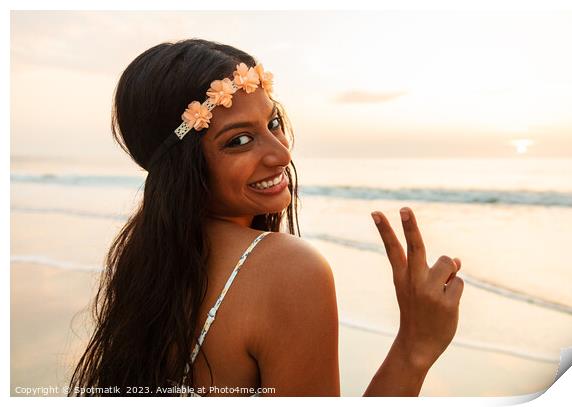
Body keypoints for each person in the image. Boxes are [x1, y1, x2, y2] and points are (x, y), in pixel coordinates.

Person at [68, 39, 464, 397]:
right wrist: (415, 347)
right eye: (239, 140)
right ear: (182, 166)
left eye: (273, 123)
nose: (281, 154)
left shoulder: (144, 259)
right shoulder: (289, 270)